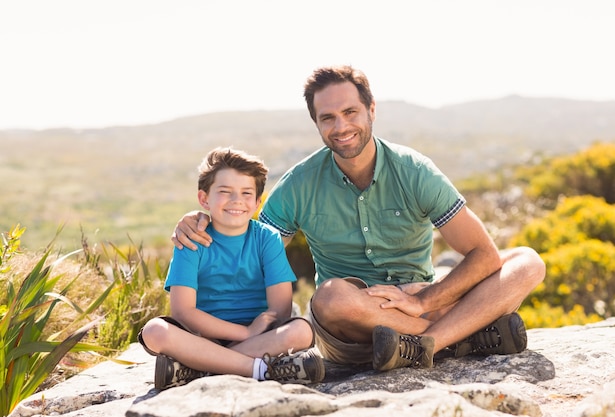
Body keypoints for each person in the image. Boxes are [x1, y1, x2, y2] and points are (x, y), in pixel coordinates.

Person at [172, 65, 546, 372]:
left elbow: (483, 254)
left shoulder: (415, 171)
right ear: (316, 124)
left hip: (420, 301)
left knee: (526, 262)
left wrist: (422, 300)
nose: (341, 126)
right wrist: (203, 217)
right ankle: (466, 335)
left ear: (371, 110)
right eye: (328, 118)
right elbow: (247, 243)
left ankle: (425, 345)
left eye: (350, 112)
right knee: (330, 297)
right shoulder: (300, 184)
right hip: (352, 326)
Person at [139, 147, 324, 390]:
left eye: (246, 193)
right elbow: (183, 312)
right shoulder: (192, 238)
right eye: (225, 192)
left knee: (301, 331)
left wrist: (253, 332)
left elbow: (279, 310)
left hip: (260, 335)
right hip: (204, 337)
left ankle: (199, 367)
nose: (237, 200)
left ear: (258, 201)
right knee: (154, 331)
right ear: (204, 199)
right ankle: (257, 369)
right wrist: (244, 333)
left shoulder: (267, 238)